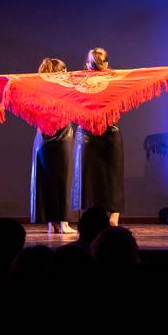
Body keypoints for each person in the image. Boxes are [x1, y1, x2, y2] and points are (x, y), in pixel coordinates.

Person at [73, 48, 125, 226]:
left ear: (107, 64)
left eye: (99, 64)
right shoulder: (79, 82)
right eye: (93, 64)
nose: (95, 67)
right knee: (89, 178)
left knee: (113, 175)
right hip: (87, 133)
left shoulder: (115, 80)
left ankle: (114, 217)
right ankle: (93, 218)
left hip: (110, 132)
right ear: (87, 64)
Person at [31, 58, 77, 234]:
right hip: (60, 135)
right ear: (60, 73)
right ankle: (62, 223)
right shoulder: (61, 90)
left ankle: (52, 223)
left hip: (44, 138)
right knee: (63, 178)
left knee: (51, 179)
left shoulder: (39, 90)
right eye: (65, 70)